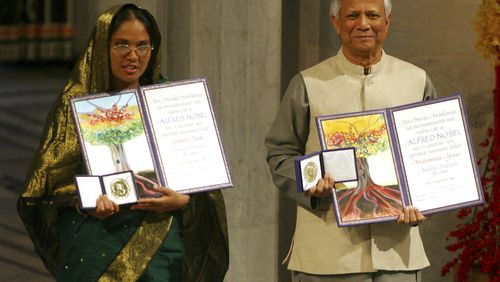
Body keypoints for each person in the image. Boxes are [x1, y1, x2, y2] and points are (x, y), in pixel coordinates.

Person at [17, 4, 228, 281]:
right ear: (102, 46)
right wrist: (89, 199)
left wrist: (184, 200)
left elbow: (202, 178)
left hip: (160, 247)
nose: (133, 56)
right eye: (121, 45)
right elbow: (45, 184)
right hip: (96, 245)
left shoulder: (172, 101)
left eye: (143, 46)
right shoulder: (74, 106)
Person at [265, 0, 436, 281]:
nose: (363, 24)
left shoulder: (417, 80)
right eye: (352, 16)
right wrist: (311, 184)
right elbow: (279, 152)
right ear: (336, 23)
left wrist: (425, 200)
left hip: (398, 252)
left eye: (372, 15)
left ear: (388, 21)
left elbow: (430, 154)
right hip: (327, 254)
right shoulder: (308, 82)